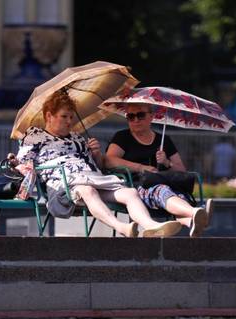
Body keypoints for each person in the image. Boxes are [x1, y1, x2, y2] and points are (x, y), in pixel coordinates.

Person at [13, 90, 182, 238]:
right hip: (63, 185)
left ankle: (151, 226)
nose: (69, 121)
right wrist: (18, 164)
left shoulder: (77, 138)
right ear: (49, 116)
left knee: (130, 192)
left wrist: (96, 154)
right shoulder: (34, 136)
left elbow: (100, 166)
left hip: (93, 178)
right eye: (64, 116)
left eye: (71, 117)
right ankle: (122, 227)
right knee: (88, 190)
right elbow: (23, 164)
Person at [106, 103, 213, 237]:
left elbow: (181, 170)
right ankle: (196, 213)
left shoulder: (164, 140)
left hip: (163, 182)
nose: (135, 120)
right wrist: (140, 167)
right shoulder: (122, 137)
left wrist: (167, 162)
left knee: (176, 194)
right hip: (137, 185)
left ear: (152, 116)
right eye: (130, 116)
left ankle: (192, 222)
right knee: (162, 190)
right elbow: (109, 160)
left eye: (140, 115)